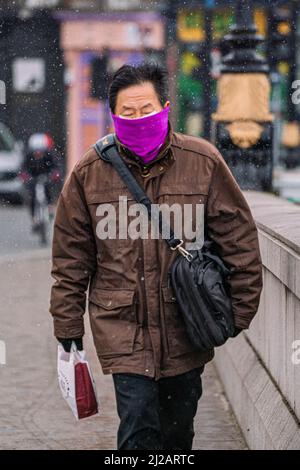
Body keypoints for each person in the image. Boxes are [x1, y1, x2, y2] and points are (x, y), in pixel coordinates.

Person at [49, 63, 263, 450]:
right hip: (121, 328)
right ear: (113, 117)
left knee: (178, 434)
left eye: (145, 110)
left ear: (165, 108)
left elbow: (239, 239)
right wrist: (68, 326)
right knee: (138, 433)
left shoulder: (203, 161)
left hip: (187, 325)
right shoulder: (89, 172)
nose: (138, 119)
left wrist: (237, 314)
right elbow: (70, 257)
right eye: (127, 113)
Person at [21, 133, 62, 230]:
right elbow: (23, 168)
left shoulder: (50, 154)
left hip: (47, 175)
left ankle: (50, 207)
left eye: (40, 152)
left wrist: (54, 174)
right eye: (36, 152)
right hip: (33, 176)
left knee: (49, 188)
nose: (38, 154)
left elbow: (57, 166)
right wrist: (26, 177)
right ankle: (34, 219)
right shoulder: (28, 155)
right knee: (31, 196)